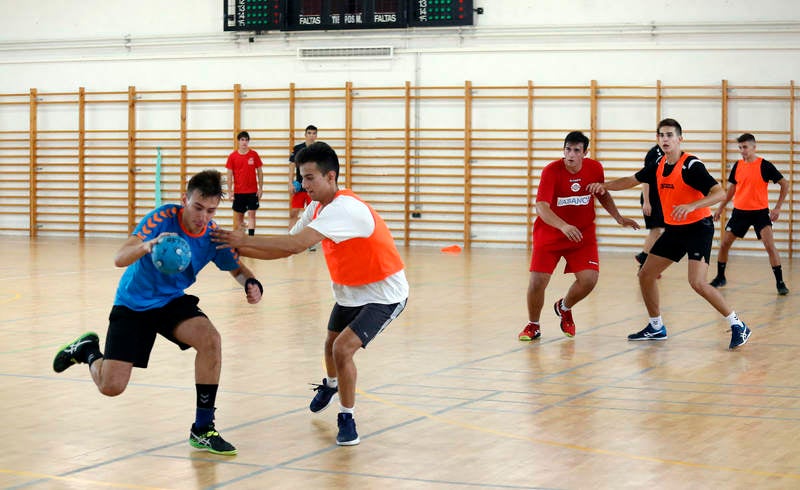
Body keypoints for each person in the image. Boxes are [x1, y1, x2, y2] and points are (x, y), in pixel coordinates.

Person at [52, 170, 264, 455]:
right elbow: (119, 258)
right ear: (184, 199)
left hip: (171, 302)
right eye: (197, 207)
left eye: (210, 210)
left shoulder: (213, 234)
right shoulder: (162, 218)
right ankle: (88, 350)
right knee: (111, 386)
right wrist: (146, 245)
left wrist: (250, 282)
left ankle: (203, 429)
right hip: (133, 303)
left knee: (210, 339)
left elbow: (236, 267)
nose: (203, 216)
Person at [213, 141, 408, 447]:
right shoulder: (316, 207)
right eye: (301, 178)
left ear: (331, 177)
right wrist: (235, 247)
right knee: (330, 345)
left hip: (384, 294)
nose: (303, 184)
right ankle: (331, 385)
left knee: (342, 349)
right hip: (349, 292)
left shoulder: (345, 208)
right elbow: (285, 248)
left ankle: (347, 417)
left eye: (309, 177)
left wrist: (240, 239)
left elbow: (294, 245)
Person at [588, 118, 752, 349]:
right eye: (661, 135)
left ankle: (738, 324)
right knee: (646, 275)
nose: (665, 139)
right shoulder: (658, 164)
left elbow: (719, 193)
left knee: (697, 283)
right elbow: (632, 180)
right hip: (675, 229)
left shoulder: (691, 166)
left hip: (698, 228)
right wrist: (605, 185)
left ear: (679, 139)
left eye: (669, 135)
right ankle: (656, 327)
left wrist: (692, 206)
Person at [518, 131, 639, 342]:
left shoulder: (595, 168)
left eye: (576, 150)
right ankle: (533, 325)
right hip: (551, 233)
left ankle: (564, 308)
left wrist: (618, 217)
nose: (570, 155)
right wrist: (563, 226)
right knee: (537, 282)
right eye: (567, 149)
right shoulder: (551, 171)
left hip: (582, 234)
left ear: (585, 152)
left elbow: (602, 193)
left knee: (589, 280)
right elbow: (541, 207)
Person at [709, 133, 789, 295]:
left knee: (769, 246)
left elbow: (784, 184)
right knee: (724, 244)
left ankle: (780, 283)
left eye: (745, 147)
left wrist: (777, 208)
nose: (742, 151)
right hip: (740, 213)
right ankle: (720, 277)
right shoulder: (737, 166)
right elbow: (731, 190)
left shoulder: (764, 165)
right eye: (740, 148)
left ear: (754, 147)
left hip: (760, 213)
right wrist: (720, 208)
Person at [226, 131, 263, 236]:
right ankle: (241, 237)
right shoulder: (232, 156)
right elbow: (229, 175)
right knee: (239, 217)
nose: (244, 142)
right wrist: (230, 191)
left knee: (252, 215)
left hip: (252, 191)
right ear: (238, 141)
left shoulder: (254, 154)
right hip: (239, 191)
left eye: (246, 140)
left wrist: (260, 188)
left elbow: (260, 172)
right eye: (242, 140)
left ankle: (251, 238)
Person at [635, 144, 665, 270]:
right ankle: (644, 258)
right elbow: (646, 179)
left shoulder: (670, 153)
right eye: (663, 135)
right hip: (651, 198)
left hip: (661, 199)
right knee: (656, 230)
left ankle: (646, 259)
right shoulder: (654, 153)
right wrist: (647, 202)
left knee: (661, 230)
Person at [289, 125, 318, 232]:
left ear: (316, 135)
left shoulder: (318, 150)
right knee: (294, 212)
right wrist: (290, 183)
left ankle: (311, 242)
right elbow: (292, 165)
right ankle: (290, 239)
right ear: (305, 135)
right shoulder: (297, 149)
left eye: (314, 133)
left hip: (313, 186)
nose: (311, 135)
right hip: (300, 185)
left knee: (313, 214)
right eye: (309, 133)